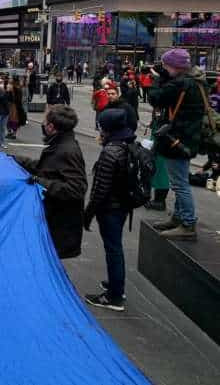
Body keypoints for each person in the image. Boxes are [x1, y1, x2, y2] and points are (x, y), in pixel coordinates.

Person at [149, 48, 207, 241]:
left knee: (180, 184)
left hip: (177, 139)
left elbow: (155, 98)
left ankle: (188, 223)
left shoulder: (180, 84)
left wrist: (158, 79)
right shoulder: (197, 81)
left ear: (175, 66)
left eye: (166, 65)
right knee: (179, 180)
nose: (164, 68)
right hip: (189, 138)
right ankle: (178, 217)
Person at [15, 106, 87, 259]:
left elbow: (76, 189)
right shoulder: (60, 144)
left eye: (44, 122)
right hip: (55, 219)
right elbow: (46, 168)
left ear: (51, 127)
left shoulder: (67, 150)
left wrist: (40, 182)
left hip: (61, 224)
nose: (43, 124)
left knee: (51, 263)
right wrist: (17, 160)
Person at [83, 108, 137, 312]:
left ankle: (114, 296)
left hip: (110, 208)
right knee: (115, 247)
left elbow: (100, 189)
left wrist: (88, 213)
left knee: (113, 249)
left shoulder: (110, 152)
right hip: (123, 205)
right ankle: (116, 283)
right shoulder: (128, 143)